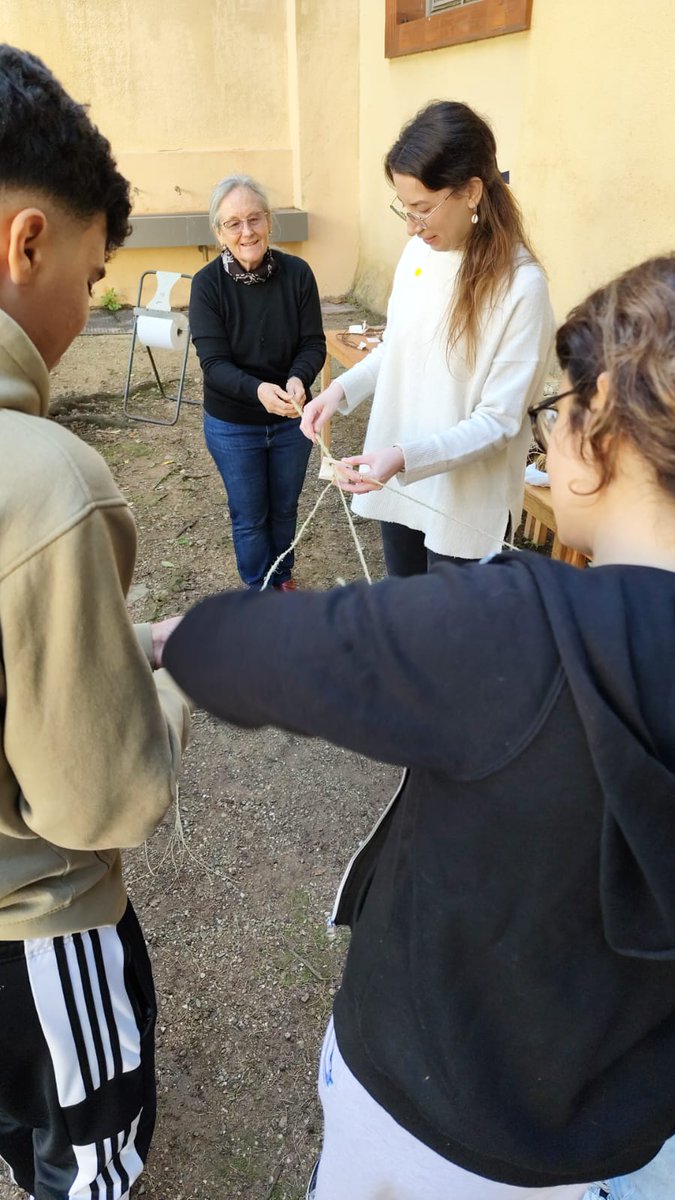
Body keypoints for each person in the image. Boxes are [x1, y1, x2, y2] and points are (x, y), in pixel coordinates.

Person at [164, 253, 675, 1200]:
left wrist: (165, 639)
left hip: (429, 1117)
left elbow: (258, 652)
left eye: (559, 407)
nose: (551, 429)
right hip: (616, 1133)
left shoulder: (520, 628)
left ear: (605, 422)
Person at [0, 45, 190, 1199]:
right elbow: (98, 795)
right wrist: (163, 680)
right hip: (34, 934)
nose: (87, 307)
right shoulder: (46, 485)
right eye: (92, 274)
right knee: (84, 1168)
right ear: (26, 243)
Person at [301, 101, 555, 576]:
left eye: (422, 209)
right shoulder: (419, 254)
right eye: (405, 208)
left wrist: (404, 458)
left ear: (471, 191)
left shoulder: (522, 287)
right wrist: (337, 393)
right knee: (405, 611)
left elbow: (499, 421)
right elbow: (397, 348)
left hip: (463, 502)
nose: (411, 226)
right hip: (402, 480)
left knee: (450, 623)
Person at [189, 174, 326, 591]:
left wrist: (299, 377)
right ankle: (257, 591)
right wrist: (258, 390)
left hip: (291, 420)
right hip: (233, 424)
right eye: (234, 223)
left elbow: (313, 343)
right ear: (219, 232)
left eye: (254, 219)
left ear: (268, 221)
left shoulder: (298, 274)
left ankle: (281, 579)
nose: (246, 231)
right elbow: (214, 364)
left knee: (284, 508)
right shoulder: (207, 285)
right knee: (249, 515)